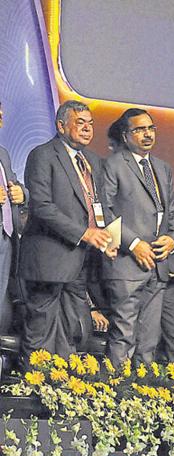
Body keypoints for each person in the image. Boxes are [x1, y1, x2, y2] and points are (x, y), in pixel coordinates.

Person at [19, 100, 115, 362]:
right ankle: (34, 388)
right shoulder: (43, 154)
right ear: (61, 126)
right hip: (48, 260)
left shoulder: (93, 160)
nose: (87, 129)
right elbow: (41, 206)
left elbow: (101, 205)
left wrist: (109, 238)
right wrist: (84, 233)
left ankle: (63, 389)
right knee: (41, 331)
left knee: (73, 331)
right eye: (80, 122)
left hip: (82, 261)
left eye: (90, 123)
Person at [101, 108, 174, 366]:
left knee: (148, 342)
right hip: (127, 264)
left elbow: (173, 213)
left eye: (151, 128)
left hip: (158, 264)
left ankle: (140, 400)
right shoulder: (112, 164)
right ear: (125, 135)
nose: (147, 134)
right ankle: (116, 396)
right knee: (123, 336)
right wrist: (134, 244)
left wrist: (172, 238)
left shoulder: (163, 168)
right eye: (139, 129)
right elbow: (104, 210)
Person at [0, 101, 27, 333]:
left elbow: (17, 186)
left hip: (7, 239)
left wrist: (22, 193)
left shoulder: (3, 154)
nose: (1, 116)